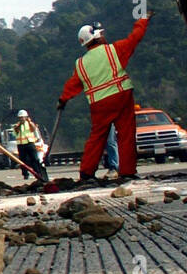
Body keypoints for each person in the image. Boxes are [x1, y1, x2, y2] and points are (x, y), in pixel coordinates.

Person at [58, 17, 150, 185]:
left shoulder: (81, 63)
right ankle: (127, 172)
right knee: (126, 135)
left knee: (97, 137)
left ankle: (86, 173)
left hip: (99, 104)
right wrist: (142, 21)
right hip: (121, 96)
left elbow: (72, 85)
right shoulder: (113, 50)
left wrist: (63, 100)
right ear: (97, 37)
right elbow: (135, 38)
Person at [12, 109, 48, 180]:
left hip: (30, 143)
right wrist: (19, 126)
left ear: (26, 117)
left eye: (23, 117)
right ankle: (25, 174)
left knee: (34, 158)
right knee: (23, 160)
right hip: (21, 145)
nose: (22, 119)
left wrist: (30, 122)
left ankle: (38, 172)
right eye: (20, 117)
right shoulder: (16, 125)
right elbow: (15, 132)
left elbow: (33, 129)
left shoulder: (30, 124)